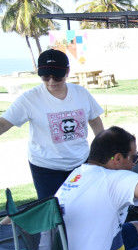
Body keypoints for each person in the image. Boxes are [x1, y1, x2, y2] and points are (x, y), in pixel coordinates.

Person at [0, 49, 104, 199]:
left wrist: (102, 150)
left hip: (81, 163)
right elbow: (3, 124)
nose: (51, 81)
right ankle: (9, 221)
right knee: (52, 211)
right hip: (45, 167)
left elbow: (95, 120)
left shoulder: (81, 93)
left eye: (57, 76)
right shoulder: (29, 99)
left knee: (81, 205)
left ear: (67, 71)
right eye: (45, 76)